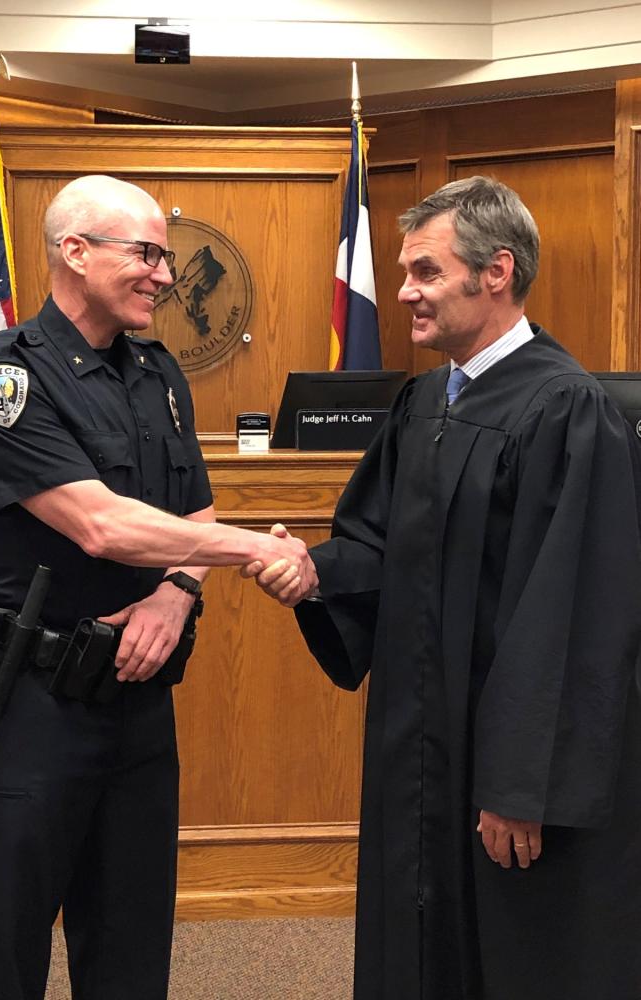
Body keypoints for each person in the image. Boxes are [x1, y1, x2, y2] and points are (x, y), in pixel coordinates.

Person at [245, 176, 641, 1000]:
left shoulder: (567, 412)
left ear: (495, 271)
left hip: (506, 766)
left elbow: (574, 619)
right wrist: (317, 571)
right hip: (419, 740)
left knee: (519, 950)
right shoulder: (425, 401)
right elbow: (385, 546)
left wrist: (520, 784)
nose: (403, 293)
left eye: (424, 272)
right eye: (402, 272)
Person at [0, 174, 310, 1000]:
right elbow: (100, 524)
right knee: (7, 948)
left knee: (132, 947)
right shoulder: (4, 380)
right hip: (26, 704)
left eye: (165, 257)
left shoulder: (157, 373)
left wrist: (177, 592)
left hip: (136, 702)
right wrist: (251, 549)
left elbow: (193, 505)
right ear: (74, 251)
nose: (166, 275)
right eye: (145, 253)